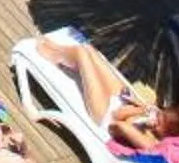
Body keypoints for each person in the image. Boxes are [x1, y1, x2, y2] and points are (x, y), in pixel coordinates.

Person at [26, 36, 169, 152]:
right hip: (121, 102)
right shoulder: (155, 127)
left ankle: (55, 54)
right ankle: (60, 50)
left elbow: (116, 122)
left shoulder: (149, 144)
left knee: (81, 53)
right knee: (88, 49)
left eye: (162, 120)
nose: (159, 118)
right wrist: (142, 108)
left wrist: (142, 114)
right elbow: (122, 113)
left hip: (104, 115)